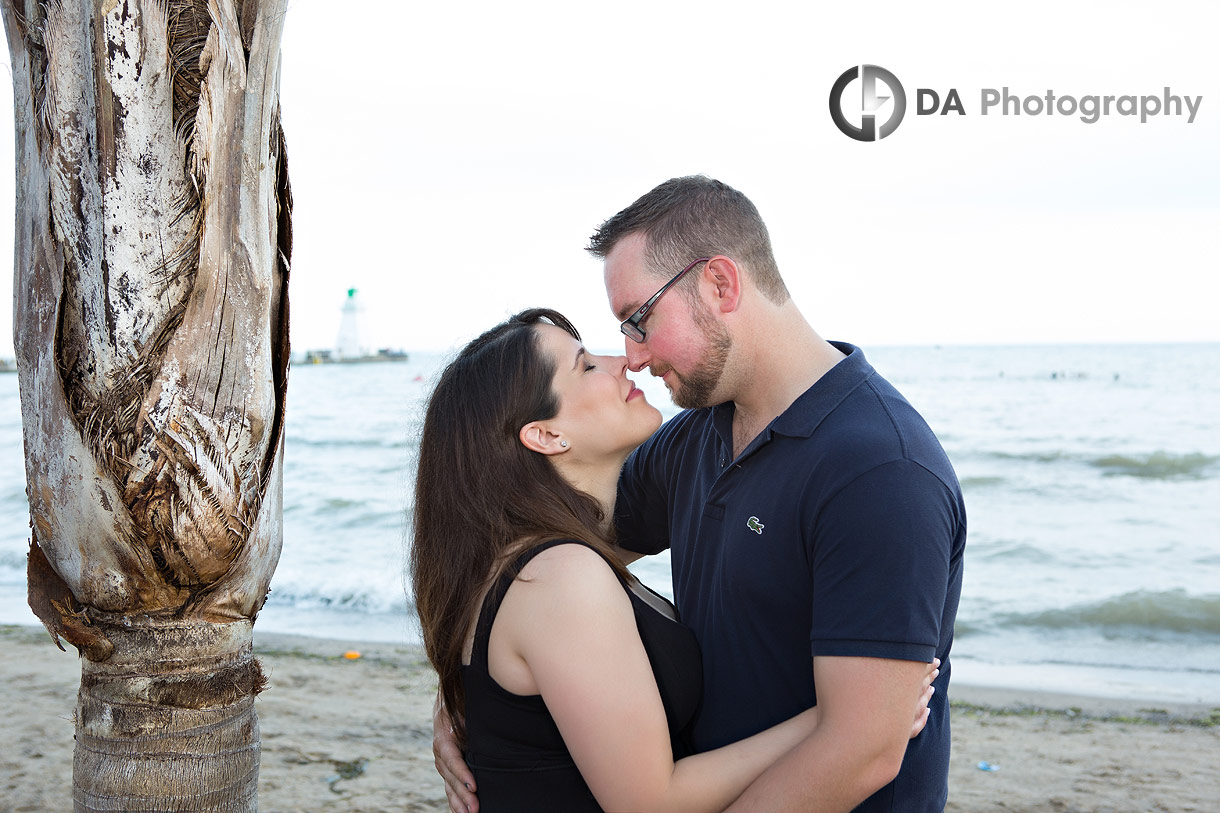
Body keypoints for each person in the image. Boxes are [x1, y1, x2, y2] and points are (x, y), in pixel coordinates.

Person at [435, 177, 967, 812]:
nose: (630, 356)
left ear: (721, 284)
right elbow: (530, 556)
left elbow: (864, 751)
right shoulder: (696, 439)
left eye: (640, 319)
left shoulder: (880, 471)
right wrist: (474, 694)